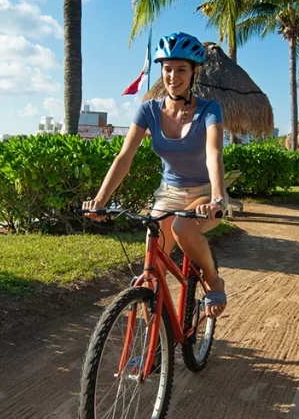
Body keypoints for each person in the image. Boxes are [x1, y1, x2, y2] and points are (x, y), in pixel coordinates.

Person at [82, 32, 228, 318]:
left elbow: (214, 153)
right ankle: (156, 337)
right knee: (152, 269)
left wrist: (217, 198)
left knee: (183, 229)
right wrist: (100, 200)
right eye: (167, 69)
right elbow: (124, 157)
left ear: (195, 72)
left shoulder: (210, 110)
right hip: (168, 194)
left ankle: (212, 279)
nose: (173, 76)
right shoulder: (148, 110)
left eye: (181, 69)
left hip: (204, 193)